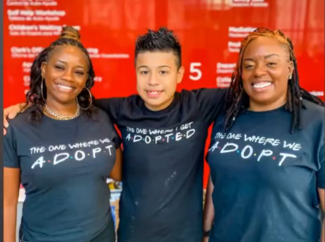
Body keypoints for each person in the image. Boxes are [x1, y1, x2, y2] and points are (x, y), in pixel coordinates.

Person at [4, 27, 227, 242]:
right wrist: (26, 106)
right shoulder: (119, 110)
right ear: (136, 72)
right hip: (133, 234)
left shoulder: (199, 105)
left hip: (185, 235)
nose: (153, 81)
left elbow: (251, 89)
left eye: (163, 71)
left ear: (179, 74)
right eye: (144, 71)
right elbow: (67, 100)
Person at [202, 28, 325, 242]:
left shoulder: (317, 122)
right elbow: (217, 177)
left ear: (289, 69)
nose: (258, 72)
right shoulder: (227, 119)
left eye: (271, 63)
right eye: (249, 65)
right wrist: (205, 232)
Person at [4, 27, 122, 242]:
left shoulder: (101, 119)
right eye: (59, 67)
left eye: (78, 72)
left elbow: (117, 173)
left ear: (86, 79)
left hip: (100, 236)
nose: (68, 77)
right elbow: (7, 202)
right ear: (44, 68)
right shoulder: (16, 126)